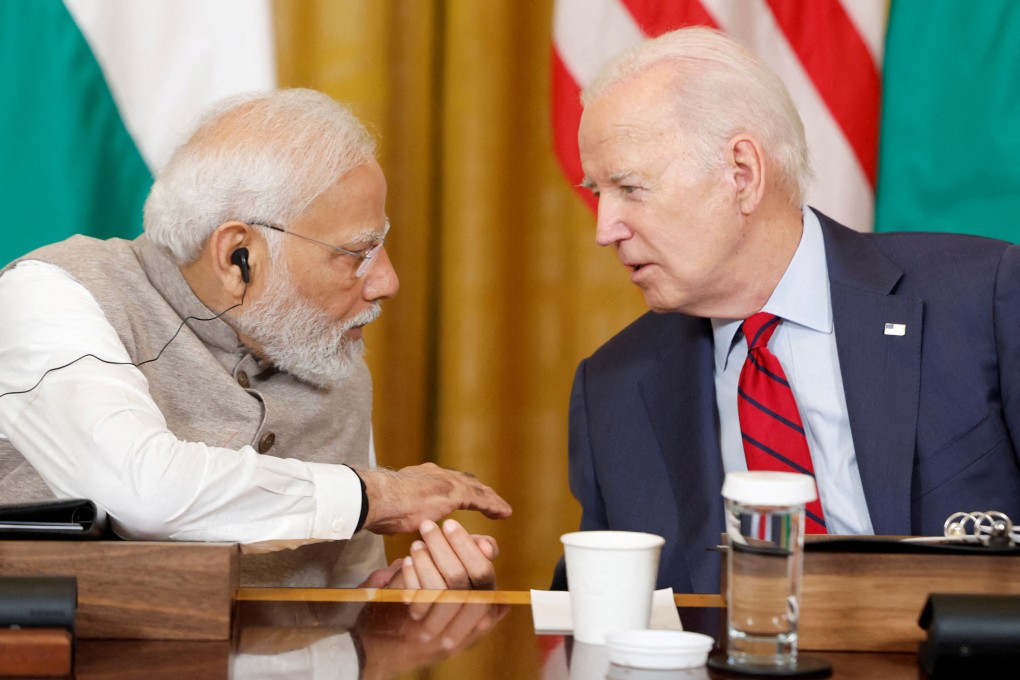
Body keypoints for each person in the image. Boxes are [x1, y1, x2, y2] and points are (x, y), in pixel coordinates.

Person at [553, 26, 1020, 594]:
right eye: (598, 193)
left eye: (629, 188)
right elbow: (603, 605)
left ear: (742, 175)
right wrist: (457, 596)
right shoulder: (613, 388)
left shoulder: (983, 298)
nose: (605, 229)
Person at [0, 88, 510, 589]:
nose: (387, 283)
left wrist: (393, 606)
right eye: (358, 253)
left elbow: (341, 595)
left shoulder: (329, 351)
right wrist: (375, 493)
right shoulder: (51, 293)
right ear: (237, 255)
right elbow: (142, 493)